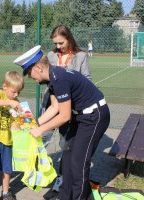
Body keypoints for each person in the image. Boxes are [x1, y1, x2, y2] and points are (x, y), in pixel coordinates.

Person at [14, 45, 110, 200]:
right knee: (67, 156)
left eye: (29, 73)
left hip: (95, 116)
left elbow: (64, 116)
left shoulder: (59, 79)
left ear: (38, 67)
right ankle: (64, 196)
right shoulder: (53, 77)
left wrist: (41, 129)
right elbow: (54, 107)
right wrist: (34, 124)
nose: (30, 77)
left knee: (79, 163)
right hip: (82, 117)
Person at [46, 25, 91, 192]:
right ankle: (41, 174)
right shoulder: (50, 56)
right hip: (52, 103)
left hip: (72, 107)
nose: (58, 47)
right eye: (56, 43)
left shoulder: (80, 56)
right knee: (42, 138)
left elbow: (87, 79)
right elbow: (45, 77)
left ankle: (63, 180)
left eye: (61, 42)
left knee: (66, 144)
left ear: (69, 39)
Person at [0, 71, 24, 200]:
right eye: (14, 92)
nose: (16, 95)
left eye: (18, 92)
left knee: (7, 170)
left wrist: (19, 125)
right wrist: (8, 102)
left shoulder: (16, 102)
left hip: (8, 141)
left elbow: (15, 123)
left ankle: (6, 193)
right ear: (5, 86)